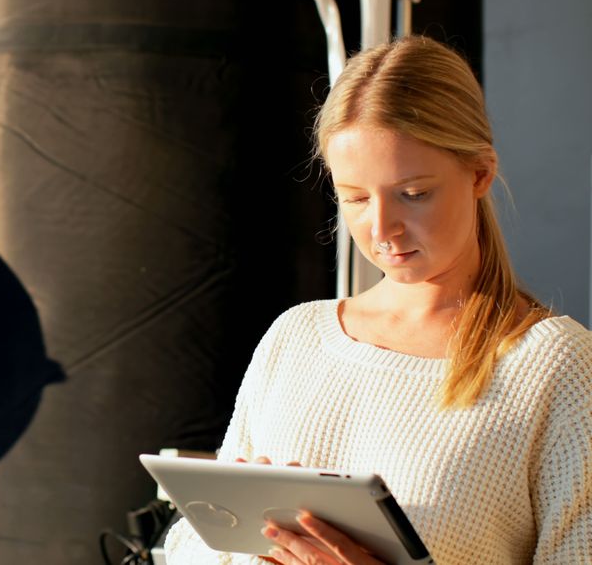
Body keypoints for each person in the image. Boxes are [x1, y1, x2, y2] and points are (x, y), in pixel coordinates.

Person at [164, 35, 592, 564]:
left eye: (413, 194)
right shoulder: (296, 339)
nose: (382, 228)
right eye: (356, 198)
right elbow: (190, 545)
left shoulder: (554, 368)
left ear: (480, 173)